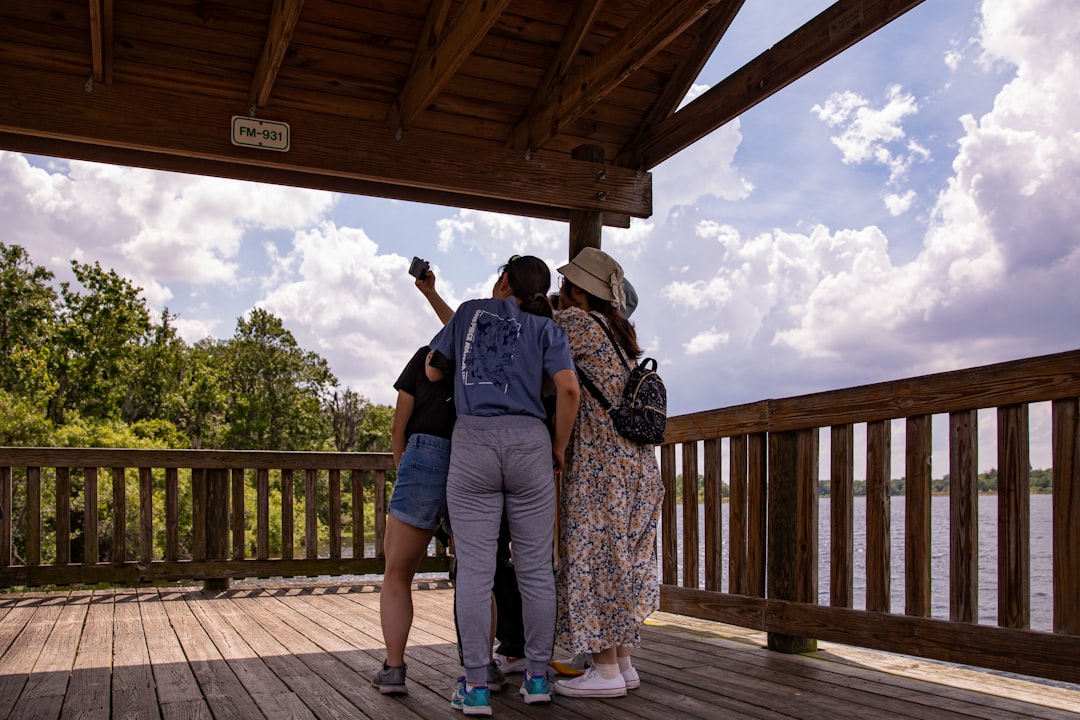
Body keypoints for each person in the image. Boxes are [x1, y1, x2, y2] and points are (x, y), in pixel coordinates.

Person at [426, 255, 580, 716]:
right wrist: (558, 447)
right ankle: (536, 678)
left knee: (474, 571)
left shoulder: (471, 313)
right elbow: (568, 390)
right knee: (535, 569)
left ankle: (475, 686)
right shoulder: (547, 330)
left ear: (505, 281)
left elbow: (434, 370)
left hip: (473, 442)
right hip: (530, 443)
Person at [550, 247, 664, 698]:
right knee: (620, 562)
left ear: (578, 291)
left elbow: (525, 334)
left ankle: (606, 672)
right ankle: (622, 663)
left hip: (601, 466)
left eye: (566, 286)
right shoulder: (622, 334)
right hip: (638, 466)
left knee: (594, 559)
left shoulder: (577, 325)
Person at [414, 271, 529, 673]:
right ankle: (521, 649)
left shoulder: (487, 323)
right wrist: (433, 294)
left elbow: (443, 356)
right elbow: (463, 330)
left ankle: (480, 670)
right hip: (527, 458)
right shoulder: (537, 327)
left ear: (503, 282)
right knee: (505, 558)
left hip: (479, 454)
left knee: (477, 564)